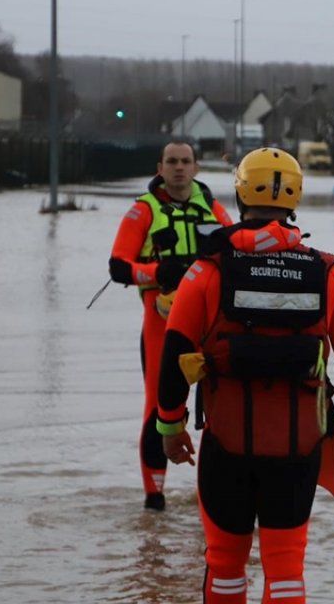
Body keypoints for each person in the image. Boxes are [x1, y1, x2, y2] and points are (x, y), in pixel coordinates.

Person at [156, 148, 334, 603]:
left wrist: (169, 424)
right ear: (294, 199)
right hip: (298, 447)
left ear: (239, 194)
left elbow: (174, 351)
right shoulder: (328, 273)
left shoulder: (206, 271)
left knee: (224, 564)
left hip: (226, 443)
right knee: (287, 568)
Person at [108, 141, 234, 511]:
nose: (179, 168)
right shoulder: (142, 211)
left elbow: (238, 255)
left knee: (216, 406)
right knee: (156, 406)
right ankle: (154, 498)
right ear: (159, 167)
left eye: (185, 162)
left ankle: (210, 494)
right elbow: (118, 267)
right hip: (159, 318)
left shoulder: (214, 209)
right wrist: (158, 272)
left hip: (207, 321)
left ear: (196, 168)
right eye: (172, 162)